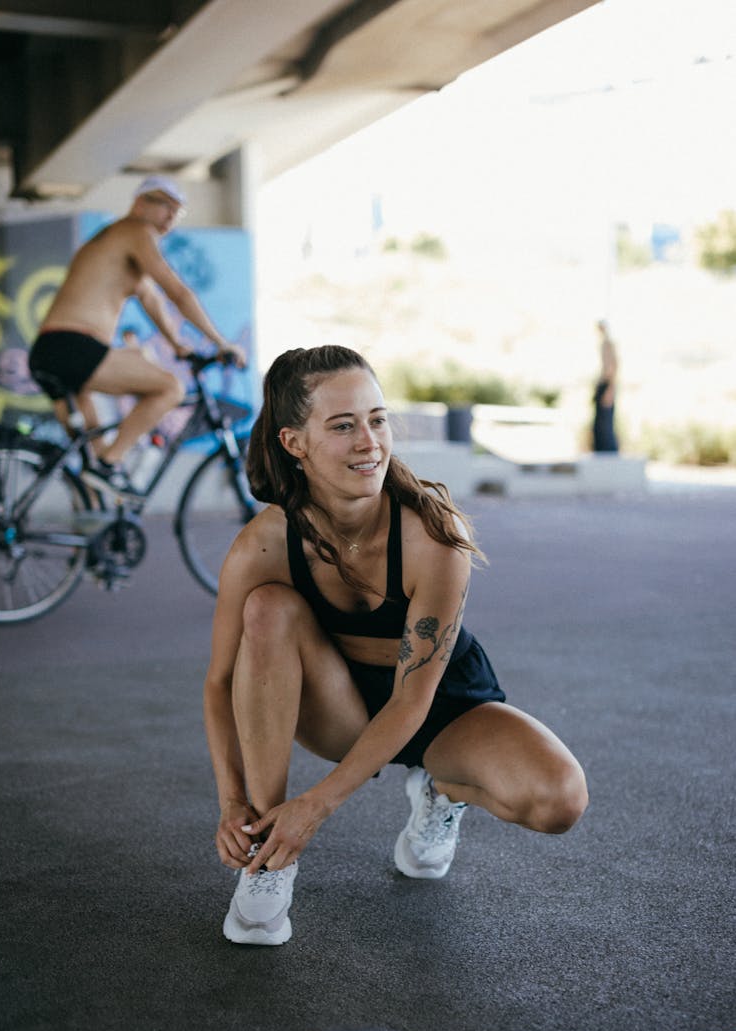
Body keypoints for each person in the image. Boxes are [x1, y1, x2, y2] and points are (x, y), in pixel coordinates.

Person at [203, 345, 588, 946]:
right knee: (268, 610)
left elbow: (413, 700)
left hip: (438, 706)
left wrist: (319, 806)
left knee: (558, 800)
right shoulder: (264, 545)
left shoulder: (434, 534)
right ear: (294, 442)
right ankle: (268, 859)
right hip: (339, 706)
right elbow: (221, 683)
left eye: (377, 419)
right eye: (343, 425)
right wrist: (233, 803)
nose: (369, 441)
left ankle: (439, 788)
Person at [28, 175, 246, 495]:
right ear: (140, 202)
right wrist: (221, 342)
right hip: (73, 346)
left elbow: (153, 301)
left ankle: (91, 524)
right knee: (169, 388)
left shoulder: (116, 244)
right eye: (165, 205)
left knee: (92, 467)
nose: (171, 216)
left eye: (178, 211)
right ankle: (111, 462)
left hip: (49, 351)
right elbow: (177, 293)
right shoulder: (135, 229)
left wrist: (179, 346)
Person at [592, 320, 619, 453]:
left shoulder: (609, 344)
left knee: (605, 424)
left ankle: (609, 451)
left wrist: (610, 389)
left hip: (607, 385)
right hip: (602, 384)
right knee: (599, 424)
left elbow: (613, 367)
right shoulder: (603, 344)